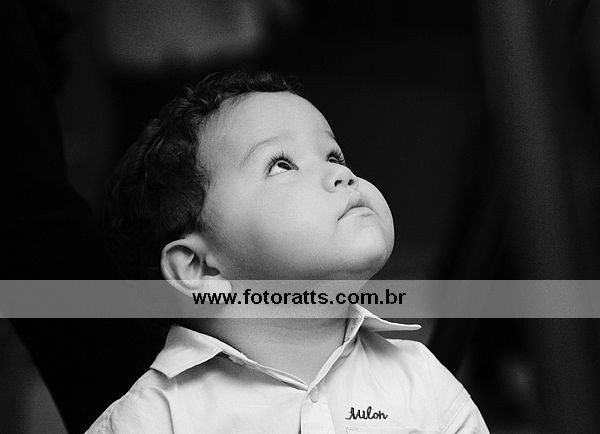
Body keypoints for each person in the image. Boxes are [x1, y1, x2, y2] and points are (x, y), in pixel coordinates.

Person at [87, 71, 488, 433]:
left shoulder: (423, 385)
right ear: (200, 268)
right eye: (281, 164)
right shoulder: (153, 420)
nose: (343, 174)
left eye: (333, 155)